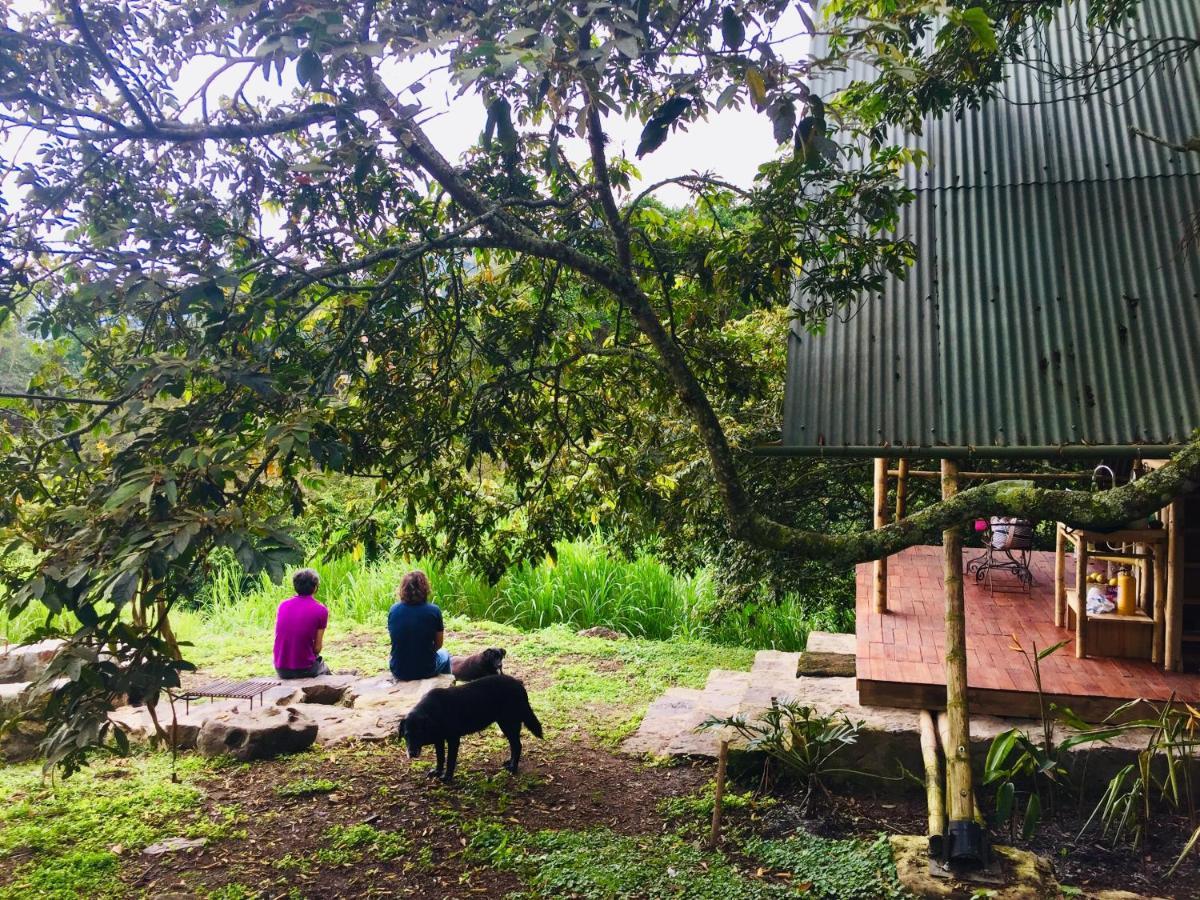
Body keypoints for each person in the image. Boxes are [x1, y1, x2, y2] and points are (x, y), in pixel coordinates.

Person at [388, 569, 451, 681]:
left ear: (403, 589)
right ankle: (446, 690)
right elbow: (439, 644)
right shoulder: (434, 611)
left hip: (398, 670)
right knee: (445, 654)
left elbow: (397, 640)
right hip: (426, 669)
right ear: (425, 589)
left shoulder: (393, 610)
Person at [273, 568, 332, 679]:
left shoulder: (283, 605)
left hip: (281, 669)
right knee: (324, 668)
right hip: (305, 669)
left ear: (295, 586)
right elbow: (317, 648)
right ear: (315, 588)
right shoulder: (321, 610)